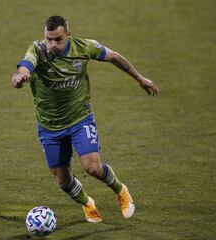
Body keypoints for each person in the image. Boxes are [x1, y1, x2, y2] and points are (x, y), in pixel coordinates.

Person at [12, 16, 159, 223]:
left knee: (92, 167)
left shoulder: (83, 47)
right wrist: (19, 78)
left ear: (68, 36)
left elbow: (114, 56)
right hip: (49, 126)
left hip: (79, 118)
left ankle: (121, 191)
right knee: (63, 182)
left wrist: (140, 78)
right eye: (49, 39)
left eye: (58, 39)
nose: (53, 44)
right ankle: (88, 204)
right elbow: (24, 67)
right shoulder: (37, 50)